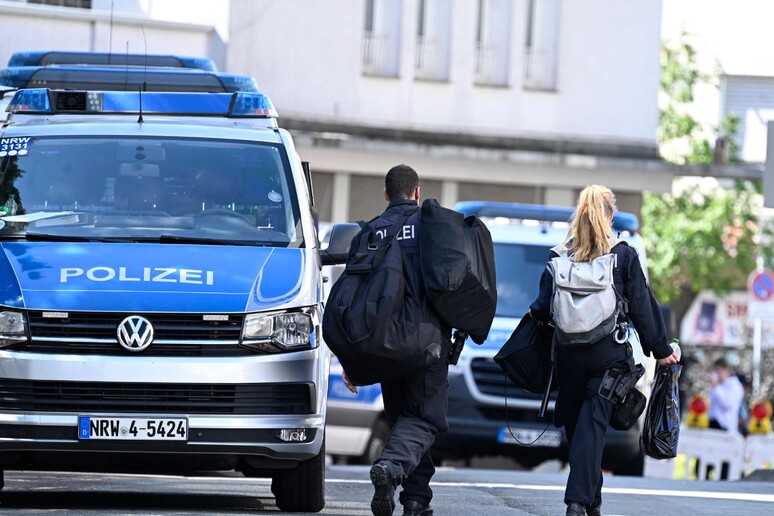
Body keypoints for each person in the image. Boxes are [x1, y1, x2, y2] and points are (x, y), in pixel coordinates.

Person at [529, 185, 679, 516]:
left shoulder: (559, 256)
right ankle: (578, 502)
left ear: (578, 215)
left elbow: (541, 308)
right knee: (592, 425)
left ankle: (589, 502)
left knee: (579, 427)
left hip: (568, 356)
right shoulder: (623, 256)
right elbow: (642, 306)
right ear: (610, 216)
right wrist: (661, 349)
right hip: (607, 357)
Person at [341, 164, 450, 516]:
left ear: (386, 195)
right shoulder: (433, 228)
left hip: (384, 345)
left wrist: (352, 361)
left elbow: (351, 300)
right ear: (417, 192)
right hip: (426, 342)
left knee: (406, 419)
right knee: (427, 418)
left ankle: (416, 501)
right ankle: (390, 469)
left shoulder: (369, 232)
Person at [707, 358, 745, 433]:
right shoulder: (718, 386)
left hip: (726, 427)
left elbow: (727, 404)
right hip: (712, 424)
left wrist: (717, 387)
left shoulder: (734, 386)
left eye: (718, 371)